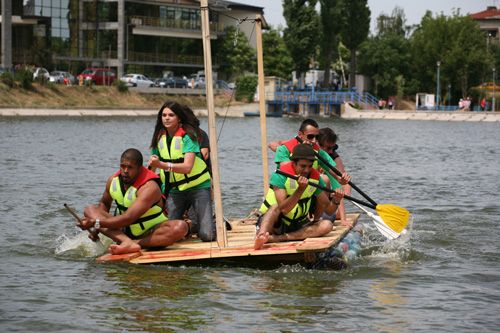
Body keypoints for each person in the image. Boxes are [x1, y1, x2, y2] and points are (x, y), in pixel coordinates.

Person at [78, 148, 188, 255]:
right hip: (122, 230)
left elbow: (128, 218)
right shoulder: (113, 180)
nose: (125, 171)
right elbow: (104, 204)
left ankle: (133, 244)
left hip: (150, 232)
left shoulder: (150, 187)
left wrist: (95, 223)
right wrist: (96, 230)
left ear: (139, 169)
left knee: (180, 227)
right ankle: (126, 241)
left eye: (130, 168)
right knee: (90, 210)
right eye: (123, 166)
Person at [254, 144, 344, 250]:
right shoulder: (280, 175)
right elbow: (284, 209)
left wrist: (336, 200)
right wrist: (300, 190)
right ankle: (261, 236)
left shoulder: (315, 178)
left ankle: (279, 238)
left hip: (297, 225)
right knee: (274, 207)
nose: (306, 170)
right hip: (277, 222)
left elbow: (328, 210)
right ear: (294, 163)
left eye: (310, 166)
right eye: (303, 166)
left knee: (327, 225)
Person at [148, 101, 215, 241]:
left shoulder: (189, 136)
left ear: (179, 118)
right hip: (175, 190)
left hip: (198, 187)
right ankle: (191, 226)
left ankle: (213, 224)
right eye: (164, 115)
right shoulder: (159, 137)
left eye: (171, 115)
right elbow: (153, 169)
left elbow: (187, 167)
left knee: (207, 236)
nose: (166, 118)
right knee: (170, 233)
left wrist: (162, 164)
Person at [269, 118, 350, 203]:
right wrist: (303, 153)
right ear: (300, 135)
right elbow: (288, 169)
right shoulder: (283, 150)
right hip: (285, 192)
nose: (314, 141)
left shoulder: (319, 153)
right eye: (310, 137)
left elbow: (337, 176)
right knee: (323, 179)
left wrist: (342, 180)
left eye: (317, 137)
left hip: (304, 193)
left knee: (324, 195)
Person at [317, 127, 351, 226]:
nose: (331, 151)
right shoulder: (306, 158)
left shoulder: (328, 162)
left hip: (324, 212)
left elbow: (338, 188)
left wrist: (343, 220)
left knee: (326, 179)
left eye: (333, 148)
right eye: (328, 148)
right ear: (318, 144)